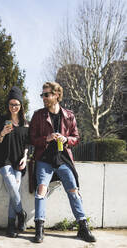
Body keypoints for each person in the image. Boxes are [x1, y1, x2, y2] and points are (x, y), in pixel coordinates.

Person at [29, 82, 96, 243]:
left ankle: (83, 227)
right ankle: (39, 228)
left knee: (73, 191)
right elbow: (31, 138)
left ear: (56, 95)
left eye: (46, 94)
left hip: (63, 158)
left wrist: (66, 139)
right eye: (42, 95)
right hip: (44, 158)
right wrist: (47, 138)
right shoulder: (38, 115)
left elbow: (76, 138)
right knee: (41, 190)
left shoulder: (69, 115)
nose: (43, 98)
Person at [0, 86, 29, 238]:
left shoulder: (26, 123)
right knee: (12, 186)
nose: (14, 107)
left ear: (21, 106)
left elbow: (28, 144)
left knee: (14, 192)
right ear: (8, 105)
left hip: (18, 160)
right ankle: (21, 213)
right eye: (11, 104)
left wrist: (25, 157)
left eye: (16, 104)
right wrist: (2, 133)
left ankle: (10, 225)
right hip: (3, 159)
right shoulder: (1, 120)